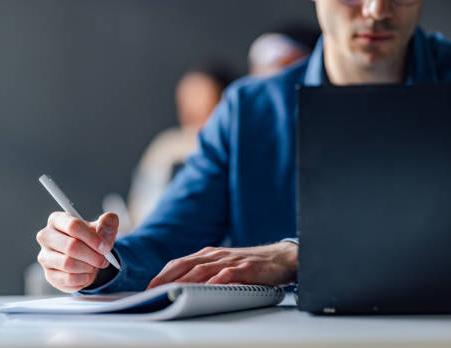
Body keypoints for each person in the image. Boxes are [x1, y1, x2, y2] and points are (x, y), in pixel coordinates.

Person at [36, 0, 451, 294]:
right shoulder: (250, 111)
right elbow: (167, 241)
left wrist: (298, 257)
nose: (377, 8)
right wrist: (95, 262)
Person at [126, 61, 237, 229]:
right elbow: (140, 204)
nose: (192, 112)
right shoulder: (167, 148)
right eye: (186, 102)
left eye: (203, 102)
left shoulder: (234, 152)